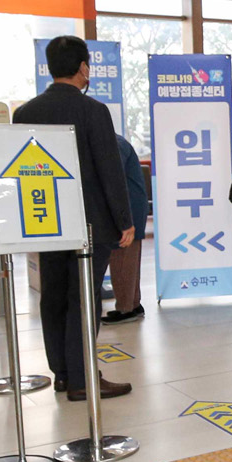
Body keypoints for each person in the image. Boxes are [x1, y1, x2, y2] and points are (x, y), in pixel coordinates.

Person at [13, 36, 135, 400]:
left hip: (43, 218)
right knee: (83, 296)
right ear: (83, 67)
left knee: (53, 294)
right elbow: (109, 170)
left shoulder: (24, 113)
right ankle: (83, 379)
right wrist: (125, 220)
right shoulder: (93, 111)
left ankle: (63, 372)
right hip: (90, 222)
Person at [103, 133, 150, 324]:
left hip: (126, 208)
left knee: (122, 258)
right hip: (130, 206)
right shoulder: (115, 141)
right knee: (128, 259)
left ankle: (125, 309)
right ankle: (133, 303)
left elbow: (112, 176)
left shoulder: (113, 143)